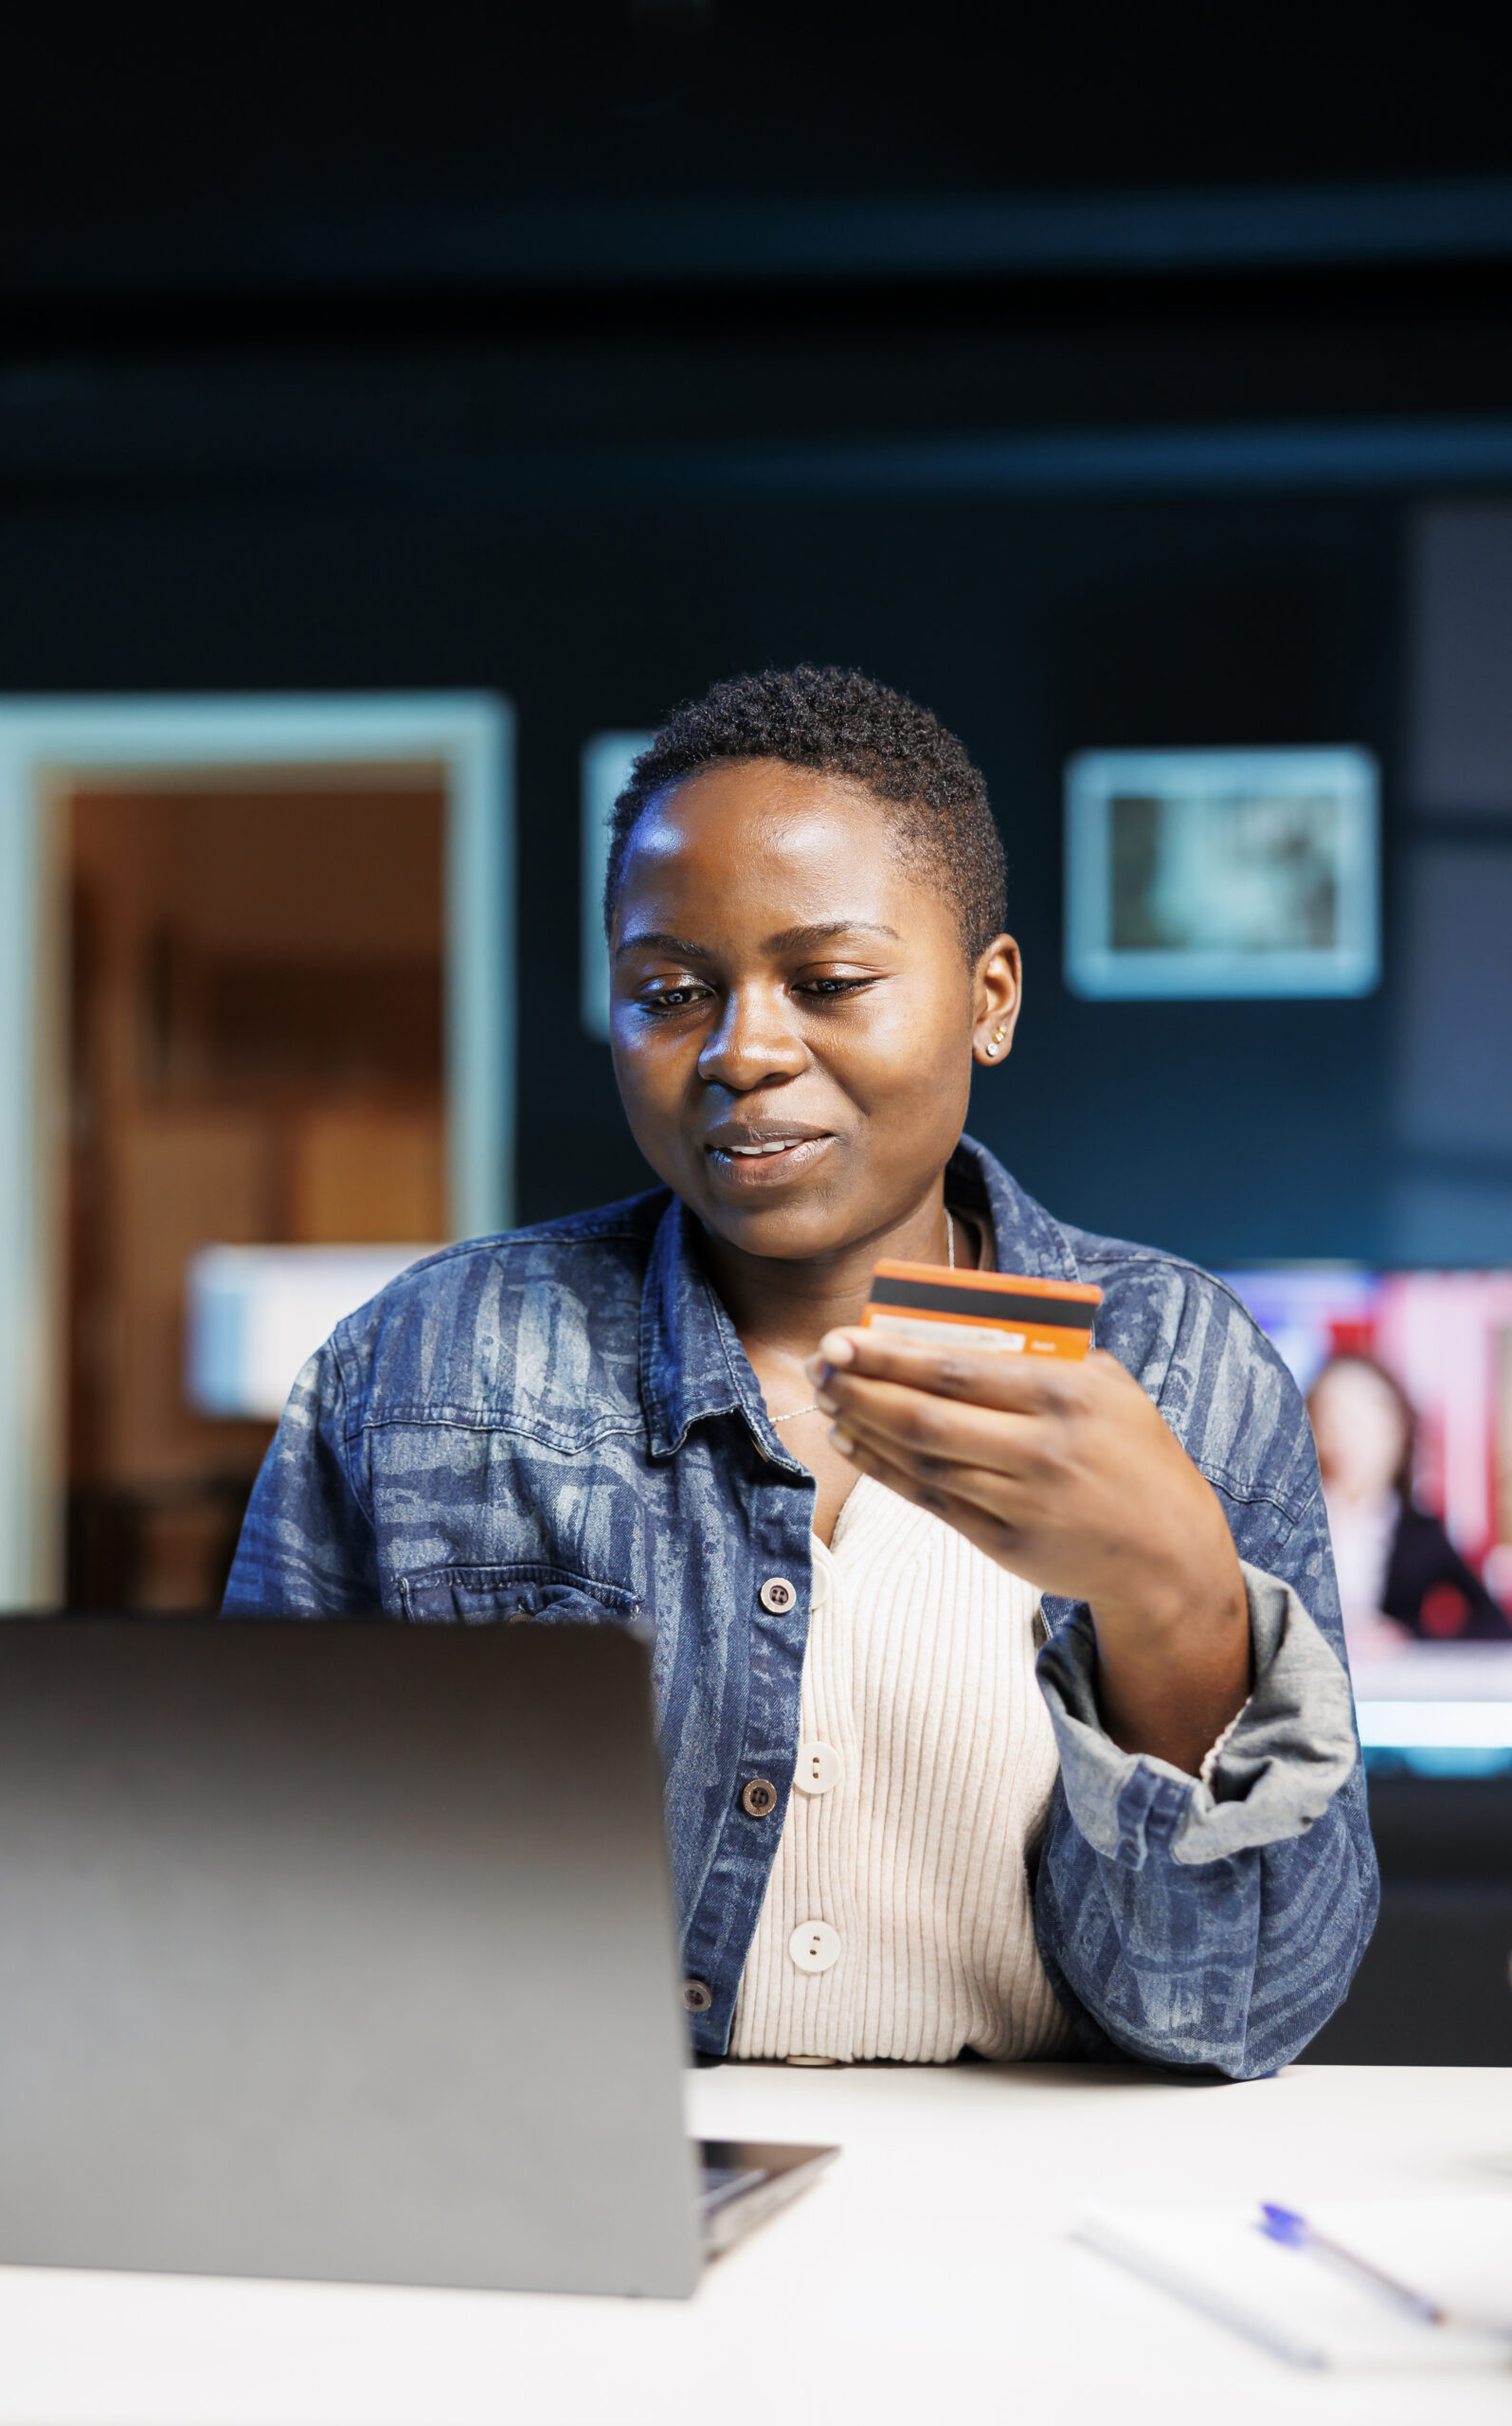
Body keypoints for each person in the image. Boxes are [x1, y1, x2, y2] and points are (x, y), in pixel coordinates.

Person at [226, 665, 1377, 2078]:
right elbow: (259, 1914)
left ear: (987, 998)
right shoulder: (419, 1367)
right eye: (667, 992)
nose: (742, 1050)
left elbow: (1239, 2017)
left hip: (1035, 2237)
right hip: (583, 2214)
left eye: (827, 982)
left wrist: (1176, 1600)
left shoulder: (1180, 1368)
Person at [1307, 1351, 1511, 1646]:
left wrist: (1407, 1638)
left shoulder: (1420, 1531)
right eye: (1332, 1417)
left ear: (1399, 1428)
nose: (1348, 1434)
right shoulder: (1287, 1524)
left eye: (1365, 1417)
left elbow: (1494, 1625)